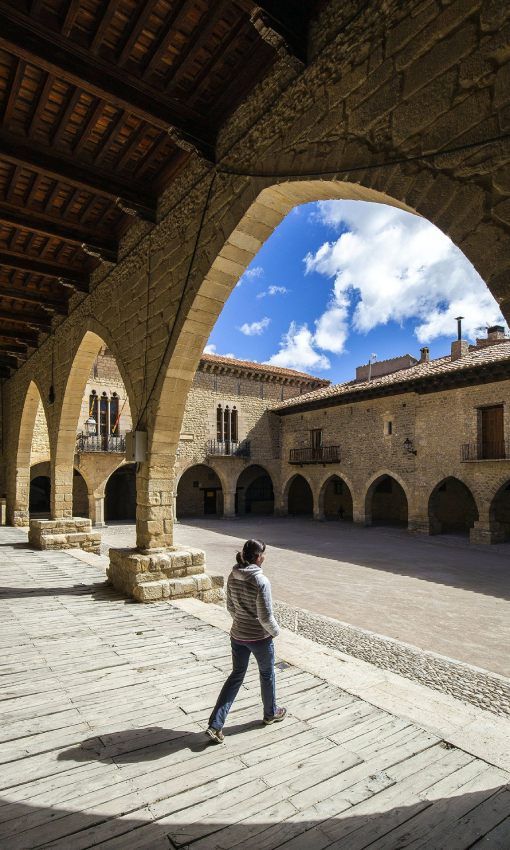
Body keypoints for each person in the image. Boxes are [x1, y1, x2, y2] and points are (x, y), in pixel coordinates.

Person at [206, 538, 286, 744]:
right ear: (258, 557)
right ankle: (270, 713)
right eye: (264, 554)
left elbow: (230, 607)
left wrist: (241, 622)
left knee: (236, 676)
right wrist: (275, 633)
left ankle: (215, 724)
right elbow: (266, 617)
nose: (264, 557)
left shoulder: (233, 576)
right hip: (260, 637)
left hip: (238, 635)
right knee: (267, 674)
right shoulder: (261, 581)